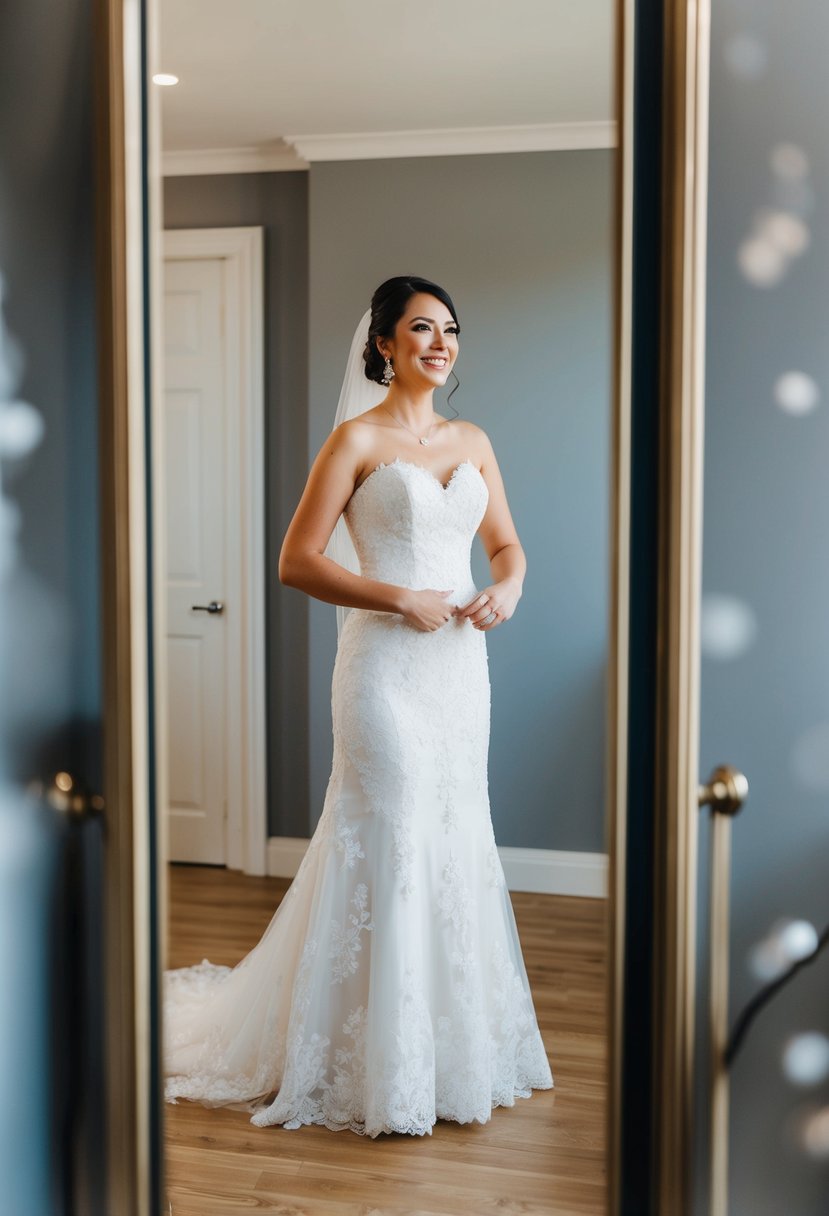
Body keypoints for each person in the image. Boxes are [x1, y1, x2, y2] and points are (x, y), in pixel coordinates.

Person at [163, 275, 554, 1136]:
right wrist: (394, 597)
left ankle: (449, 1050)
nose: (440, 343)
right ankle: (371, 1059)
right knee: (390, 830)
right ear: (383, 344)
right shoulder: (355, 439)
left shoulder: (473, 439)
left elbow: (505, 542)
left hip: (457, 673)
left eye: (450, 329)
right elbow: (296, 561)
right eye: (421, 329)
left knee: (453, 831)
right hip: (382, 672)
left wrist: (511, 586)